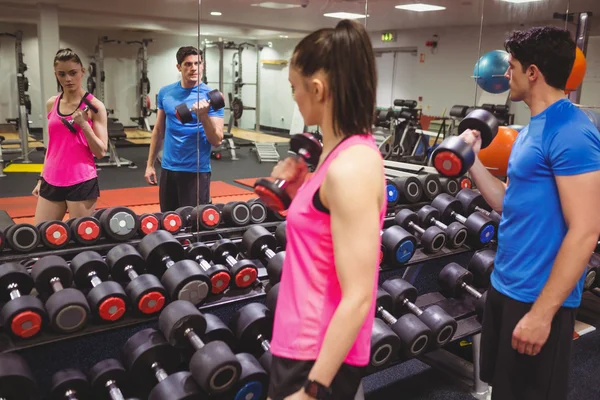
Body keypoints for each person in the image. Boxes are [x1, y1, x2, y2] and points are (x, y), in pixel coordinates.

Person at [460, 27, 600, 400]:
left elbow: (586, 229)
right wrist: (469, 159)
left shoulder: (571, 131)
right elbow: (507, 202)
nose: (507, 75)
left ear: (533, 72)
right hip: (506, 285)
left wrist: (542, 314)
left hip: (539, 298)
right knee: (503, 390)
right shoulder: (529, 130)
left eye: (513, 67)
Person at [268, 20, 386, 400]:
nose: (295, 99)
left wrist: (311, 390)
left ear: (317, 89)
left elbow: (359, 296)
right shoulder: (336, 157)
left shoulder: (351, 168)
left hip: (315, 354)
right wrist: (301, 190)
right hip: (300, 341)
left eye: (294, 89)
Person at [33, 48, 108, 224]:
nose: (67, 79)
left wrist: (84, 125)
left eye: (73, 73)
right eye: (62, 74)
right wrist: (41, 179)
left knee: (80, 241)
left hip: (80, 181)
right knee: (41, 237)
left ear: (83, 72)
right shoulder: (52, 103)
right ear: (56, 75)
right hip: (51, 179)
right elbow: (53, 147)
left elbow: (101, 152)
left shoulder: (95, 106)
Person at [144, 46, 224, 211]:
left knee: (192, 226)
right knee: (169, 221)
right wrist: (150, 164)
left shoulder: (212, 96)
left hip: (196, 171)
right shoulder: (166, 93)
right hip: (168, 169)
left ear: (202, 65)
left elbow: (216, 140)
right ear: (179, 67)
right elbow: (159, 131)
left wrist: (203, 117)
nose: (193, 68)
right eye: (188, 64)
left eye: (197, 63)